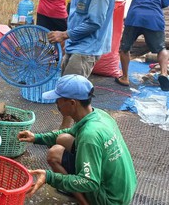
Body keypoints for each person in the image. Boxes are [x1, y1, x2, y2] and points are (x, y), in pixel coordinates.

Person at [18, 74, 137, 205]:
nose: (56, 103)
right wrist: (36, 138)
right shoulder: (99, 115)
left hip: (111, 200)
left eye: (58, 100)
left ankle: (85, 203)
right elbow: (68, 132)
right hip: (123, 188)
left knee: (83, 177)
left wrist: (50, 177)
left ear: (72, 103)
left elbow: (89, 182)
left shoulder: (89, 136)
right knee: (59, 146)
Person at [47, 0, 115, 129]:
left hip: (87, 47)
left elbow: (95, 23)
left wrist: (64, 34)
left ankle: (69, 132)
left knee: (72, 95)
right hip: (74, 43)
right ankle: (68, 129)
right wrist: (68, 38)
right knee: (66, 88)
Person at [115, 0, 169, 90]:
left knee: (125, 48)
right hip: (155, 18)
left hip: (135, 16)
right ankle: (164, 73)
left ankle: (125, 77)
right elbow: (165, 2)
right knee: (161, 48)